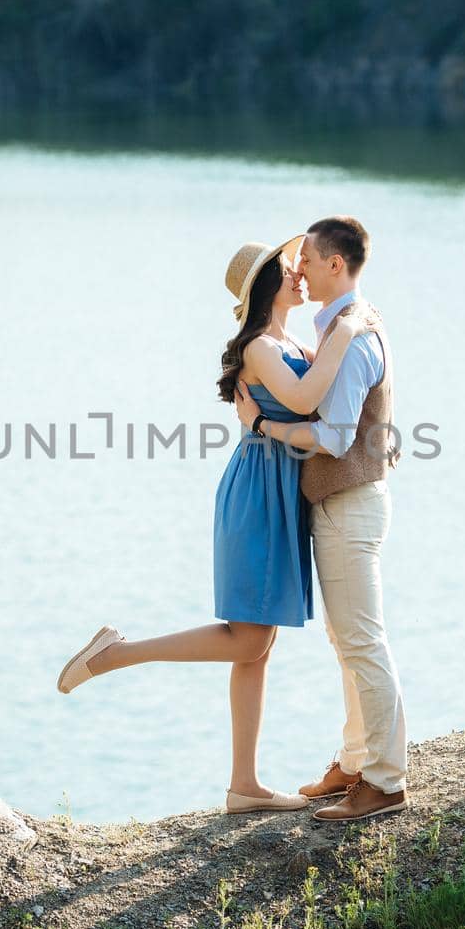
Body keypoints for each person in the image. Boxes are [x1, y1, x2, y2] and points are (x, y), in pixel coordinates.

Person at [56, 234, 365, 815]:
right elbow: (304, 399)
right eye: (288, 267)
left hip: (275, 488)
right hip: (257, 492)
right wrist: (348, 330)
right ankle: (117, 652)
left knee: (257, 646)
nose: (300, 272)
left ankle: (243, 786)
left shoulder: (287, 339)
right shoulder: (259, 348)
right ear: (268, 285)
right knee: (249, 637)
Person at [234, 215, 408, 823]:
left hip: (348, 503)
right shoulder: (338, 327)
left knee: (362, 641)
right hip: (341, 504)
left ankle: (385, 781)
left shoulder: (354, 333)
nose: (299, 267)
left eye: (306, 258)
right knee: (347, 640)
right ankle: (356, 760)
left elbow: (333, 436)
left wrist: (263, 426)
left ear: (336, 265)